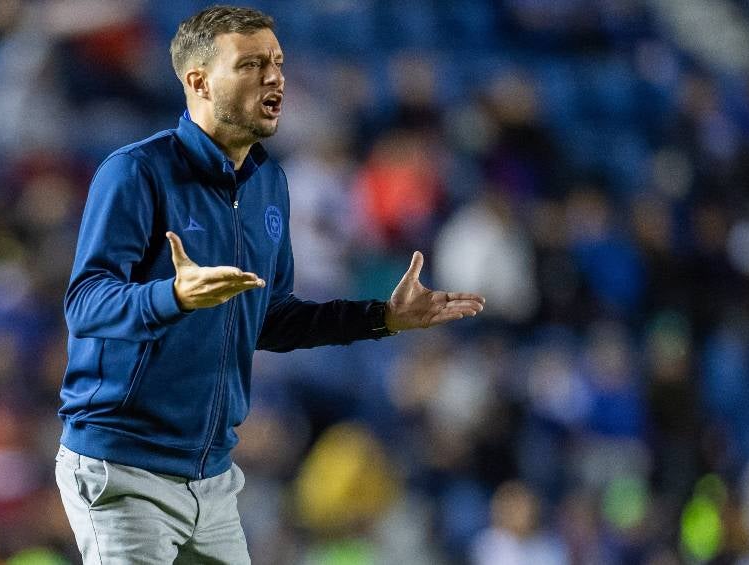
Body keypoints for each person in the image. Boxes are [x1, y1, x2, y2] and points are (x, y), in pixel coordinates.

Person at [54, 5, 485, 564]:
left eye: (277, 62)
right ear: (199, 81)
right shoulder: (136, 172)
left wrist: (380, 317)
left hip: (210, 475)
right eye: (252, 64)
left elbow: (271, 319)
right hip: (124, 466)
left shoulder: (268, 183)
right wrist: (173, 296)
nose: (274, 77)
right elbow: (85, 303)